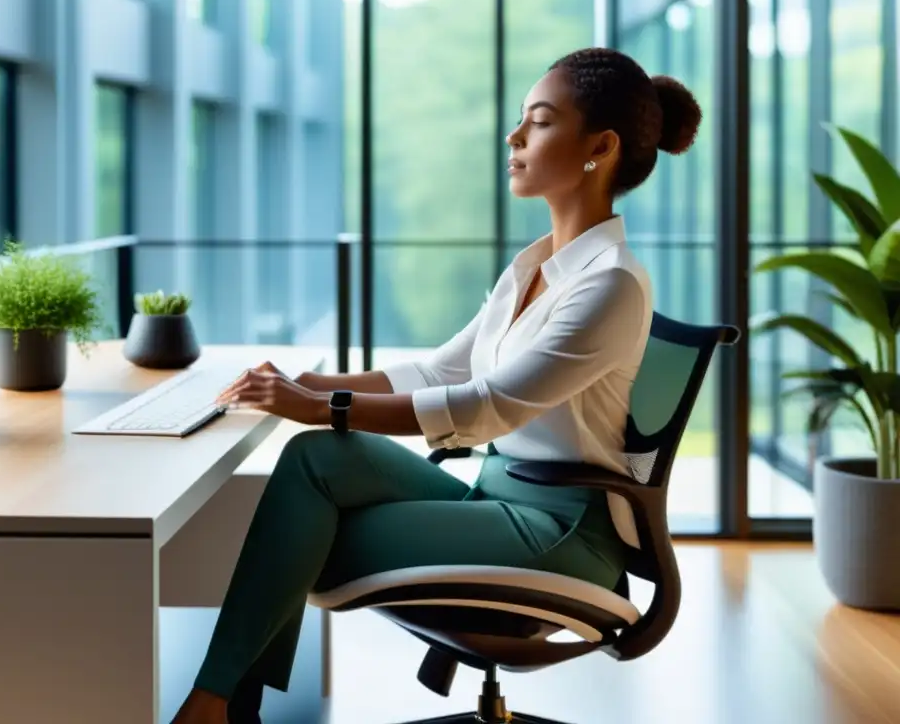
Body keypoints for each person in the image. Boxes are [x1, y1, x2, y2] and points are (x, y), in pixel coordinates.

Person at [171, 46, 702, 724]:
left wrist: (317, 405)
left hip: (562, 533)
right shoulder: (539, 265)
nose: (514, 138)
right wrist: (304, 384)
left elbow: (484, 410)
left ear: (600, 146)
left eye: (538, 123)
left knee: (304, 535)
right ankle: (222, 704)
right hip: (499, 498)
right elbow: (441, 371)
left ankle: (210, 706)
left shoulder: (610, 286)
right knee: (315, 459)